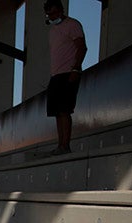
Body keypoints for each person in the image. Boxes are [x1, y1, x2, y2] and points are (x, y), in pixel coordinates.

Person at [45, 0, 87, 155]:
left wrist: (75, 68)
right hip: (56, 74)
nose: (52, 16)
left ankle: (65, 145)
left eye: (55, 13)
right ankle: (60, 144)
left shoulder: (72, 25)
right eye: (49, 14)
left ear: (61, 11)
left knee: (64, 110)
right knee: (56, 111)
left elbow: (82, 47)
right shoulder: (53, 31)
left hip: (68, 73)